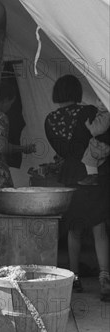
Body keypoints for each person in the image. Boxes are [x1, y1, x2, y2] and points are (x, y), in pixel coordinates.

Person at [44, 75, 110, 301]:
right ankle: (104, 279)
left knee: (74, 229)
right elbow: (104, 139)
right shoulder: (90, 112)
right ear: (77, 92)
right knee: (99, 228)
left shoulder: (49, 120)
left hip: (71, 177)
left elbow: (62, 151)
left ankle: (74, 278)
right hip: (94, 177)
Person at [0, 81, 36, 210]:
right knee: (0, 209)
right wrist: (23, 148)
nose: (10, 106)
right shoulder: (0, 116)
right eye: (11, 102)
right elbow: (0, 146)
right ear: (5, 100)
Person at [79, 97, 110, 185]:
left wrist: (89, 126)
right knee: (90, 157)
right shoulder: (102, 113)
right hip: (101, 144)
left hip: (101, 145)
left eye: (105, 101)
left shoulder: (106, 115)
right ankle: (93, 176)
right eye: (100, 100)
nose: (102, 104)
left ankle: (92, 176)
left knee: (89, 157)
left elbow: (97, 130)